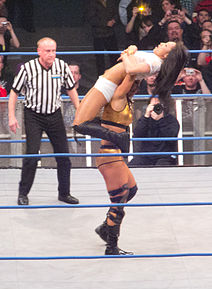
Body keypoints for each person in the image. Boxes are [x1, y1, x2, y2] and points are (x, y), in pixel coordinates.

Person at [73, 41, 188, 154]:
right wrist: (132, 49)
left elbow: (131, 70)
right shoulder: (154, 59)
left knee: (80, 125)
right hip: (106, 82)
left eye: (166, 45)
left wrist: (127, 55)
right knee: (83, 121)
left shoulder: (155, 63)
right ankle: (118, 134)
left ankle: (119, 137)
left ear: (166, 55)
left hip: (108, 85)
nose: (161, 43)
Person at [8, 37, 80, 206]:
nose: (51, 54)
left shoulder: (61, 66)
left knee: (63, 156)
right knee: (32, 156)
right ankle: (23, 193)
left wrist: (81, 111)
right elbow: (14, 93)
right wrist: (11, 116)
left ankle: (64, 193)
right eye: (47, 51)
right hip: (33, 115)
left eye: (54, 50)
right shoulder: (27, 68)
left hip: (54, 114)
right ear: (39, 51)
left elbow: (71, 90)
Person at [95, 73, 138, 255]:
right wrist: (130, 56)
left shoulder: (127, 99)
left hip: (116, 155)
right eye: (135, 84)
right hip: (109, 156)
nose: (137, 87)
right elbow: (129, 75)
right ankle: (111, 246)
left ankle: (105, 227)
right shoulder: (118, 96)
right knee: (118, 203)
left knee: (132, 190)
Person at [128, 96, 180, 166]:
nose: (156, 108)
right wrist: (146, 116)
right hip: (145, 156)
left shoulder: (171, 120)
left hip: (164, 156)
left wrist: (160, 120)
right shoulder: (145, 120)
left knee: (161, 168)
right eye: (153, 106)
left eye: (158, 105)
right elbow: (137, 134)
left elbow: (171, 136)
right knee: (132, 166)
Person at [87, 0, 119, 76]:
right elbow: (91, 19)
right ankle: (100, 77)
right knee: (100, 59)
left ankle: (117, 76)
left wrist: (114, 20)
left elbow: (116, 13)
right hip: (98, 35)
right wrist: (105, 23)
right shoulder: (92, 3)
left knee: (115, 57)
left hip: (110, 34)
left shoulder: (111, 2)